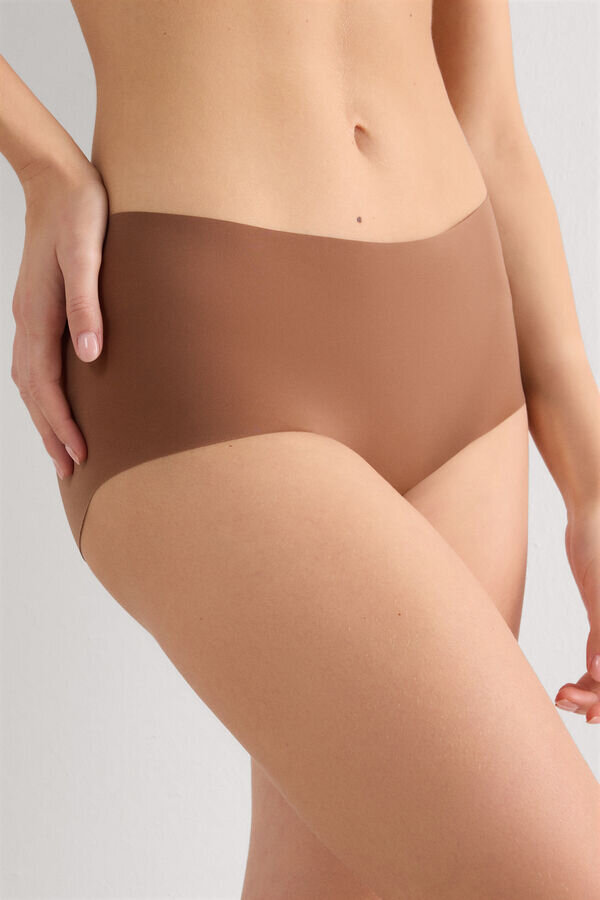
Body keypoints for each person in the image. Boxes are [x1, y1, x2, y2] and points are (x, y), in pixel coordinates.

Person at [2, 1, 599, 897]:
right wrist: (40, 163)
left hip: (464, 355)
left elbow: (489, 119)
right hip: (206, 339)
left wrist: (591, 487)